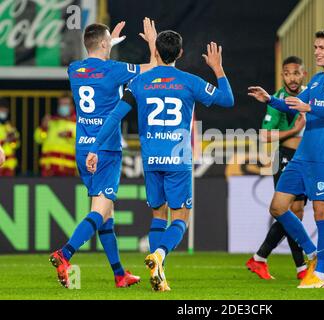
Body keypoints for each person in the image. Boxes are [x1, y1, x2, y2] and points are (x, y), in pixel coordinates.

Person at [86, 31, 234, 291]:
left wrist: (95, 147)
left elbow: (114, 117)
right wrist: (218, 69)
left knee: (158, 214)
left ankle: (159, 276)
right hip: (178, 159)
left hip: (152, 159)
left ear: (155, 52)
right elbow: (227, 99)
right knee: (181, 217)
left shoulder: (139, 83)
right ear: (180, 53)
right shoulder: (190, 81)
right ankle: (160, 256)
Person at [49, 18, 157, 288]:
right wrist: (154, 43)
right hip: (106, 148)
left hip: (83, 147)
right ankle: (65, 253)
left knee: (106, 214)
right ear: (105, 43)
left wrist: (109, 42)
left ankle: (120, 274)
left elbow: (97, 60)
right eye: (109, 42)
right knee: (100, 210)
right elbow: (154, 67)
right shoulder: (115, 70)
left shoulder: (75, 69)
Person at [248, 28, 324, 288]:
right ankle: (311, 252)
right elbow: (293, 103)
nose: (317, 51)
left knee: (321, 214)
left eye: (322, 47)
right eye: (316, 47)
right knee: (277, 207)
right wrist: (270, 99)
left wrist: (311, 107)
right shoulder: (318, 81)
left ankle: (319, 275)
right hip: (302, 157)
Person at [246, 56, 308, 280]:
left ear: (304, 74)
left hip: (304, 159)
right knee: (288, 212)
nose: (291, 77)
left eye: (295, 73)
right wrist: (293, 131)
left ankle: (260, 259)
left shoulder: (309, 95)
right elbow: (265, 135)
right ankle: (301, 268)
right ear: (282, 75)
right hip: (285, 157)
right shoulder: (279, 100)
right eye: (287, 73)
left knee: (297, 214)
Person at [35, 94, 77, 176]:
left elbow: (84, 141)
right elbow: (38, 139)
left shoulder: (78, 123)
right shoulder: (51, 122)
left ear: (72, 106)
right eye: (61, 104)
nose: (62, 107)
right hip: (48, 168)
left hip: (68, 169)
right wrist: (43, 127)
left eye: (65, 104)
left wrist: (70, 135)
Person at [0, 98, 20, 177]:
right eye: (1, 110)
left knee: (8, 188)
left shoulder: (10, 126)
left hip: (9, 163)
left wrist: (13, 139)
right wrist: (4, 141)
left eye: (5, 111)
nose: (3, 113)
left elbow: (16, 144)